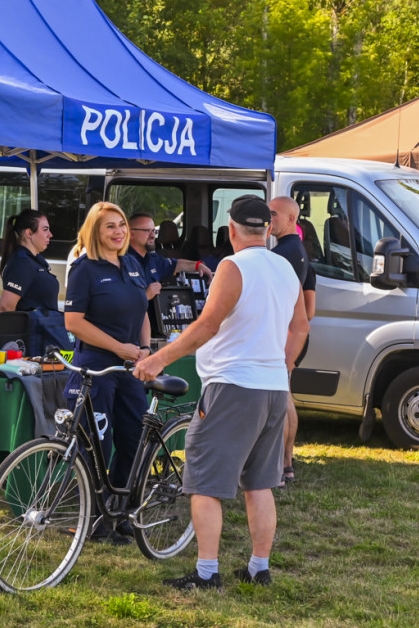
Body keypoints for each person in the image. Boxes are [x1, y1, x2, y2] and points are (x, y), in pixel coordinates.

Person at [134, 195, 309, 590]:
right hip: (272, 389)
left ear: (230, 230)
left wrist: (158, 359)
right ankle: (258, 568)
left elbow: (207, 326)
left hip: (233, 386)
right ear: (267, 228)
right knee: (260, 483)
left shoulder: (232, 266)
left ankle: (206, 572)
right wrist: (282, 364)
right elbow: (300, 326)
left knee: (203, 481)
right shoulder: (284, 267)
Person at [64, 201, 151, 544]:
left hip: (131, 366)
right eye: (109, 227)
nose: (118, 232)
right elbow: (74, 323)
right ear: (94, 232)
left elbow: (142, 307)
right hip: (97, 366)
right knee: (98, 444)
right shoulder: (84, 269)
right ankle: (96, 520)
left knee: (133, 439)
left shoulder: (131, 263)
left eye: (122, 225)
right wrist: (119, 348)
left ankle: (123, 511)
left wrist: (144, 349)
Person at [268, 196, 317, 486]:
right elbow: (308, 311)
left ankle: (280, 467)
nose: (268, 219)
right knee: (286, 399)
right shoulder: (299, 252)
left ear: (290, 220)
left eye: (273, 214)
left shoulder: (282, 253)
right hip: (295, 334)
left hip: (284, 336)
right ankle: (286, 464)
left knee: (281, 401)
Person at [0, 209, 58, 336]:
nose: (50, 234)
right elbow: (6, 307)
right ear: (29, 233)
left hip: (43, 336)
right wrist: (6, 332)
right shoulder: (22, 262)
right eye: (45, 229)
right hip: (30, 341)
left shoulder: (36, 260)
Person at [127, 213, 212, 300]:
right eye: (147, 231)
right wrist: (146, 296)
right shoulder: (122, 262)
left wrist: (198, 265)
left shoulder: (153, 258)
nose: (153, 235)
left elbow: (175, 264)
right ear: (131, 234)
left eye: (154, 231)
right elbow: (118, 305)